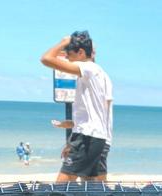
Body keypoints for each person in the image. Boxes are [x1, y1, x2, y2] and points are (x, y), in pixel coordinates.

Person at [41, 31, 113, 182]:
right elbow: (98, 113)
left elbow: (46, 59)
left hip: (88, 136)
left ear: (81, 52)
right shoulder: (99, 74)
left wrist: (63, 42)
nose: (67, 57)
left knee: (61, 187)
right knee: (94, 191)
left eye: (69, 54)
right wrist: (72, 126)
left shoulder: (88, 68)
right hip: (97, 137)